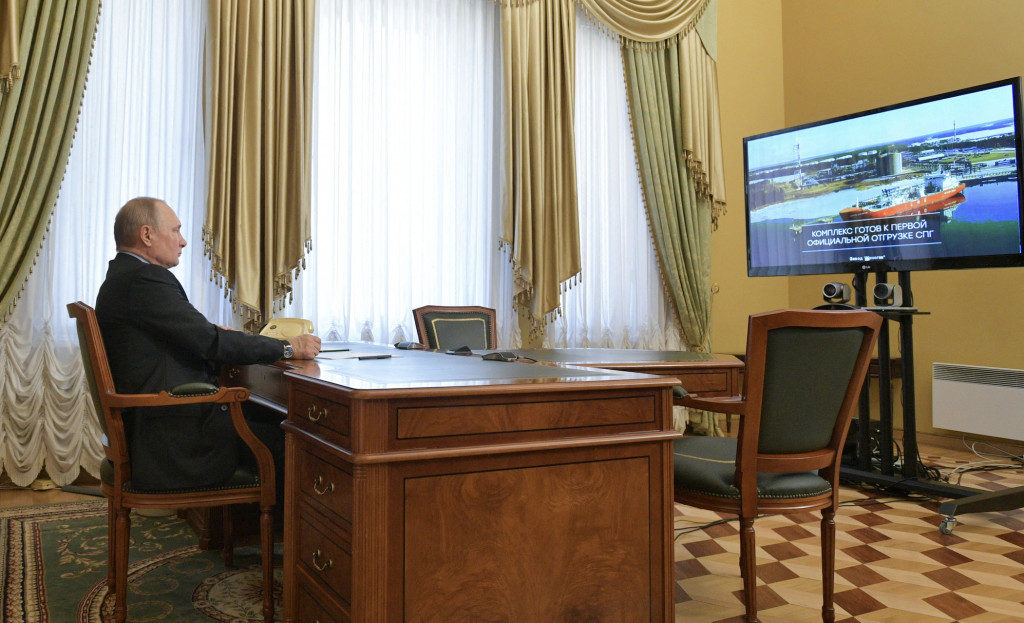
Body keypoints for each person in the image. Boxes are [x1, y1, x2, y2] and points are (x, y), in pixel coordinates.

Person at [95, 197, 320, 497]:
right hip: (173, 440)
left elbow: (184, 339)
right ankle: (297, 528)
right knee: (294, 438)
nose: (183, 241)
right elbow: (210, 342)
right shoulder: (145, 278)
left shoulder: (121, 277)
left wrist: (209, 335)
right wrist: (287, 347)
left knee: (270, 420)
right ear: (146, 235)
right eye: (175, 230)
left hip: (154, 428)